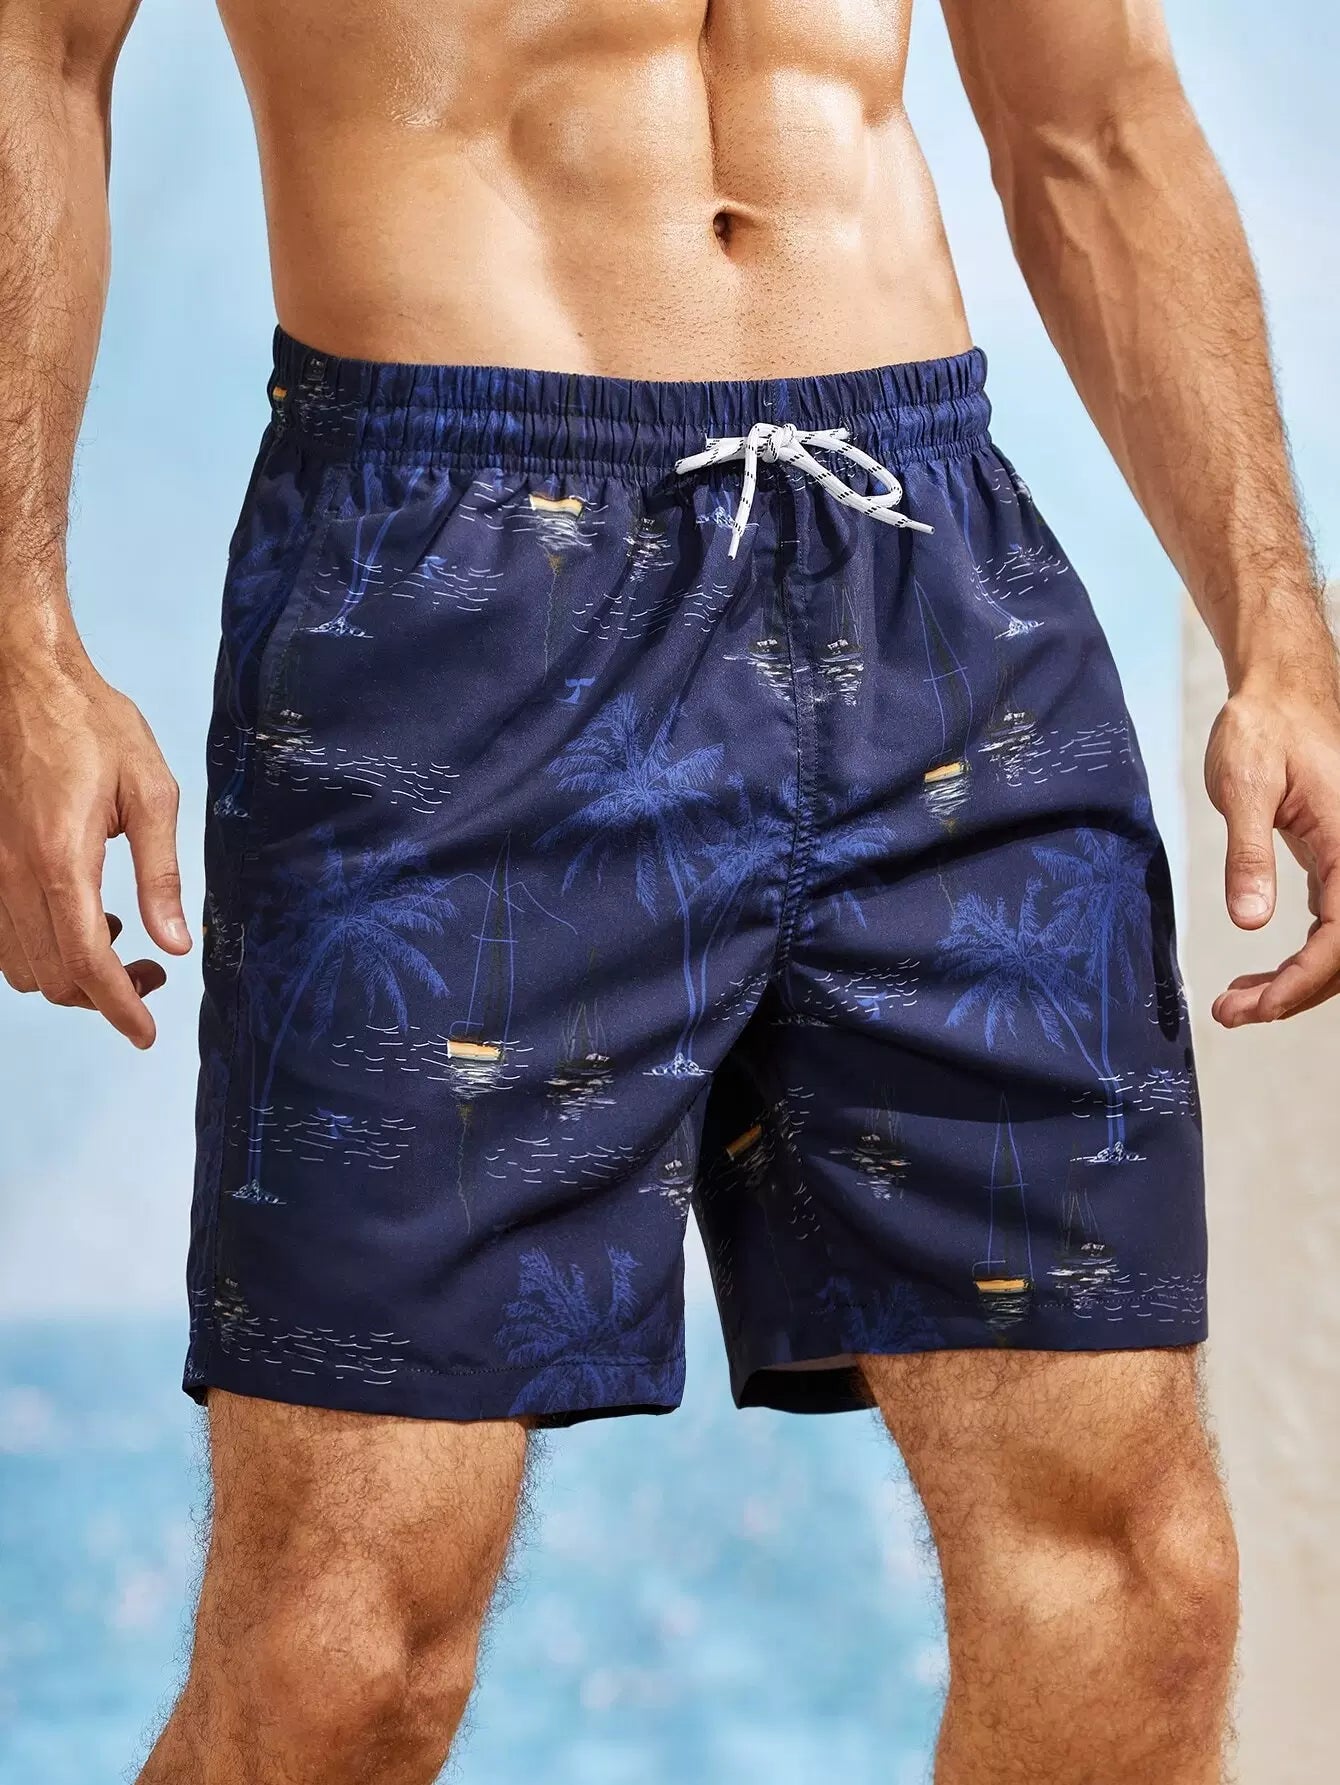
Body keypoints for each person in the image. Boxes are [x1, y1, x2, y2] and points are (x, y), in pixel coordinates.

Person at [1, 1, 1335, 1779]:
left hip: (926, 571)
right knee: (343, 1648)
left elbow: (1094, 119)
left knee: (1136, 1588)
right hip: (457, 572)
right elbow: (37, 51)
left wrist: (1280, 630)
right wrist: (18, 638)